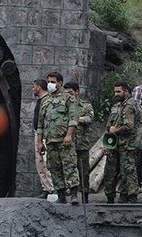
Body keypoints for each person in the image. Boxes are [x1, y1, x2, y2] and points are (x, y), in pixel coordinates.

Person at [36, 72, 80, 205]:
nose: (50, 84)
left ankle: (73, 195)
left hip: (64, 140)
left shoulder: (68, 98)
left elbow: (73, 119)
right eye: (49, 81)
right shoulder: (46, 101)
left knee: (70, 166)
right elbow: (40, 124)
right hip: (50, 141)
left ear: (60, 83)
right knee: (54, 168)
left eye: (53, 82)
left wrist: (68, 135)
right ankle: (61, 195)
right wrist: (39, 142)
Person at [103, 81, 142, 203]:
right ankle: (112, 197)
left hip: (128, 144)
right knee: (110, 171)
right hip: (115, 144)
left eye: (119, 91)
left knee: (128, 171)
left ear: (126, 91)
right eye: (115, 91)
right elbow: (109, 126)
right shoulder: (117, 106)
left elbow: (128, 126)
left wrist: (115, 130)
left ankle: (130, 197)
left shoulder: (130, 105)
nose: (116, 94)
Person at [64, 81, 94, 203]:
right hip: (69, 145)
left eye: (71, 93)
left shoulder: (85, 106)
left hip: (82, 144)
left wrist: (75, 119)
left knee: (84, 172)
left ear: (77, 92)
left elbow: (89, 118)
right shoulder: (64, 106)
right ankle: (73, 195)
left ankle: (85, 197)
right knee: (70, 170)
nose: (69, 96)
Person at [32, 79, 54, 199]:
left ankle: (52, 189)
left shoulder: (48, 101)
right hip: (39, 134)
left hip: (46, 135)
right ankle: (46, 188)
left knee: (46, 162)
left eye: (34, 86)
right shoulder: (40, 101)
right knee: (39, 163)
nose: (33, 89)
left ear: (39, 87)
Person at [133, 72, 142, 192]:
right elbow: (135, 108)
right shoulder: (139, 90)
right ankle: (137, 184)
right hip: (140, 128)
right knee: (139, 157)